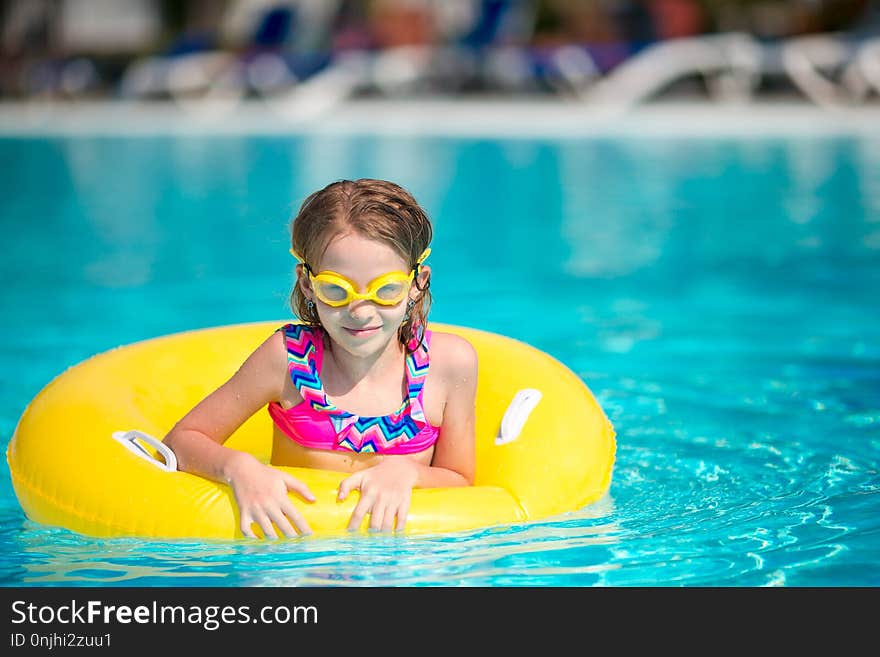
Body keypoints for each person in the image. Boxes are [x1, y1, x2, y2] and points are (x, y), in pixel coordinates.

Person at [163, 178, 478, 539]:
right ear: (307, 284)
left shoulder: (450, 365)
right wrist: (239, 467)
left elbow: (461, 479)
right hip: (297, 562)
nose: (360, 311)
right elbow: (182, 440)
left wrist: (410, 473)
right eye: (336, 289)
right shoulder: (286, 360)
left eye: (386, 289)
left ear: (417, 282)